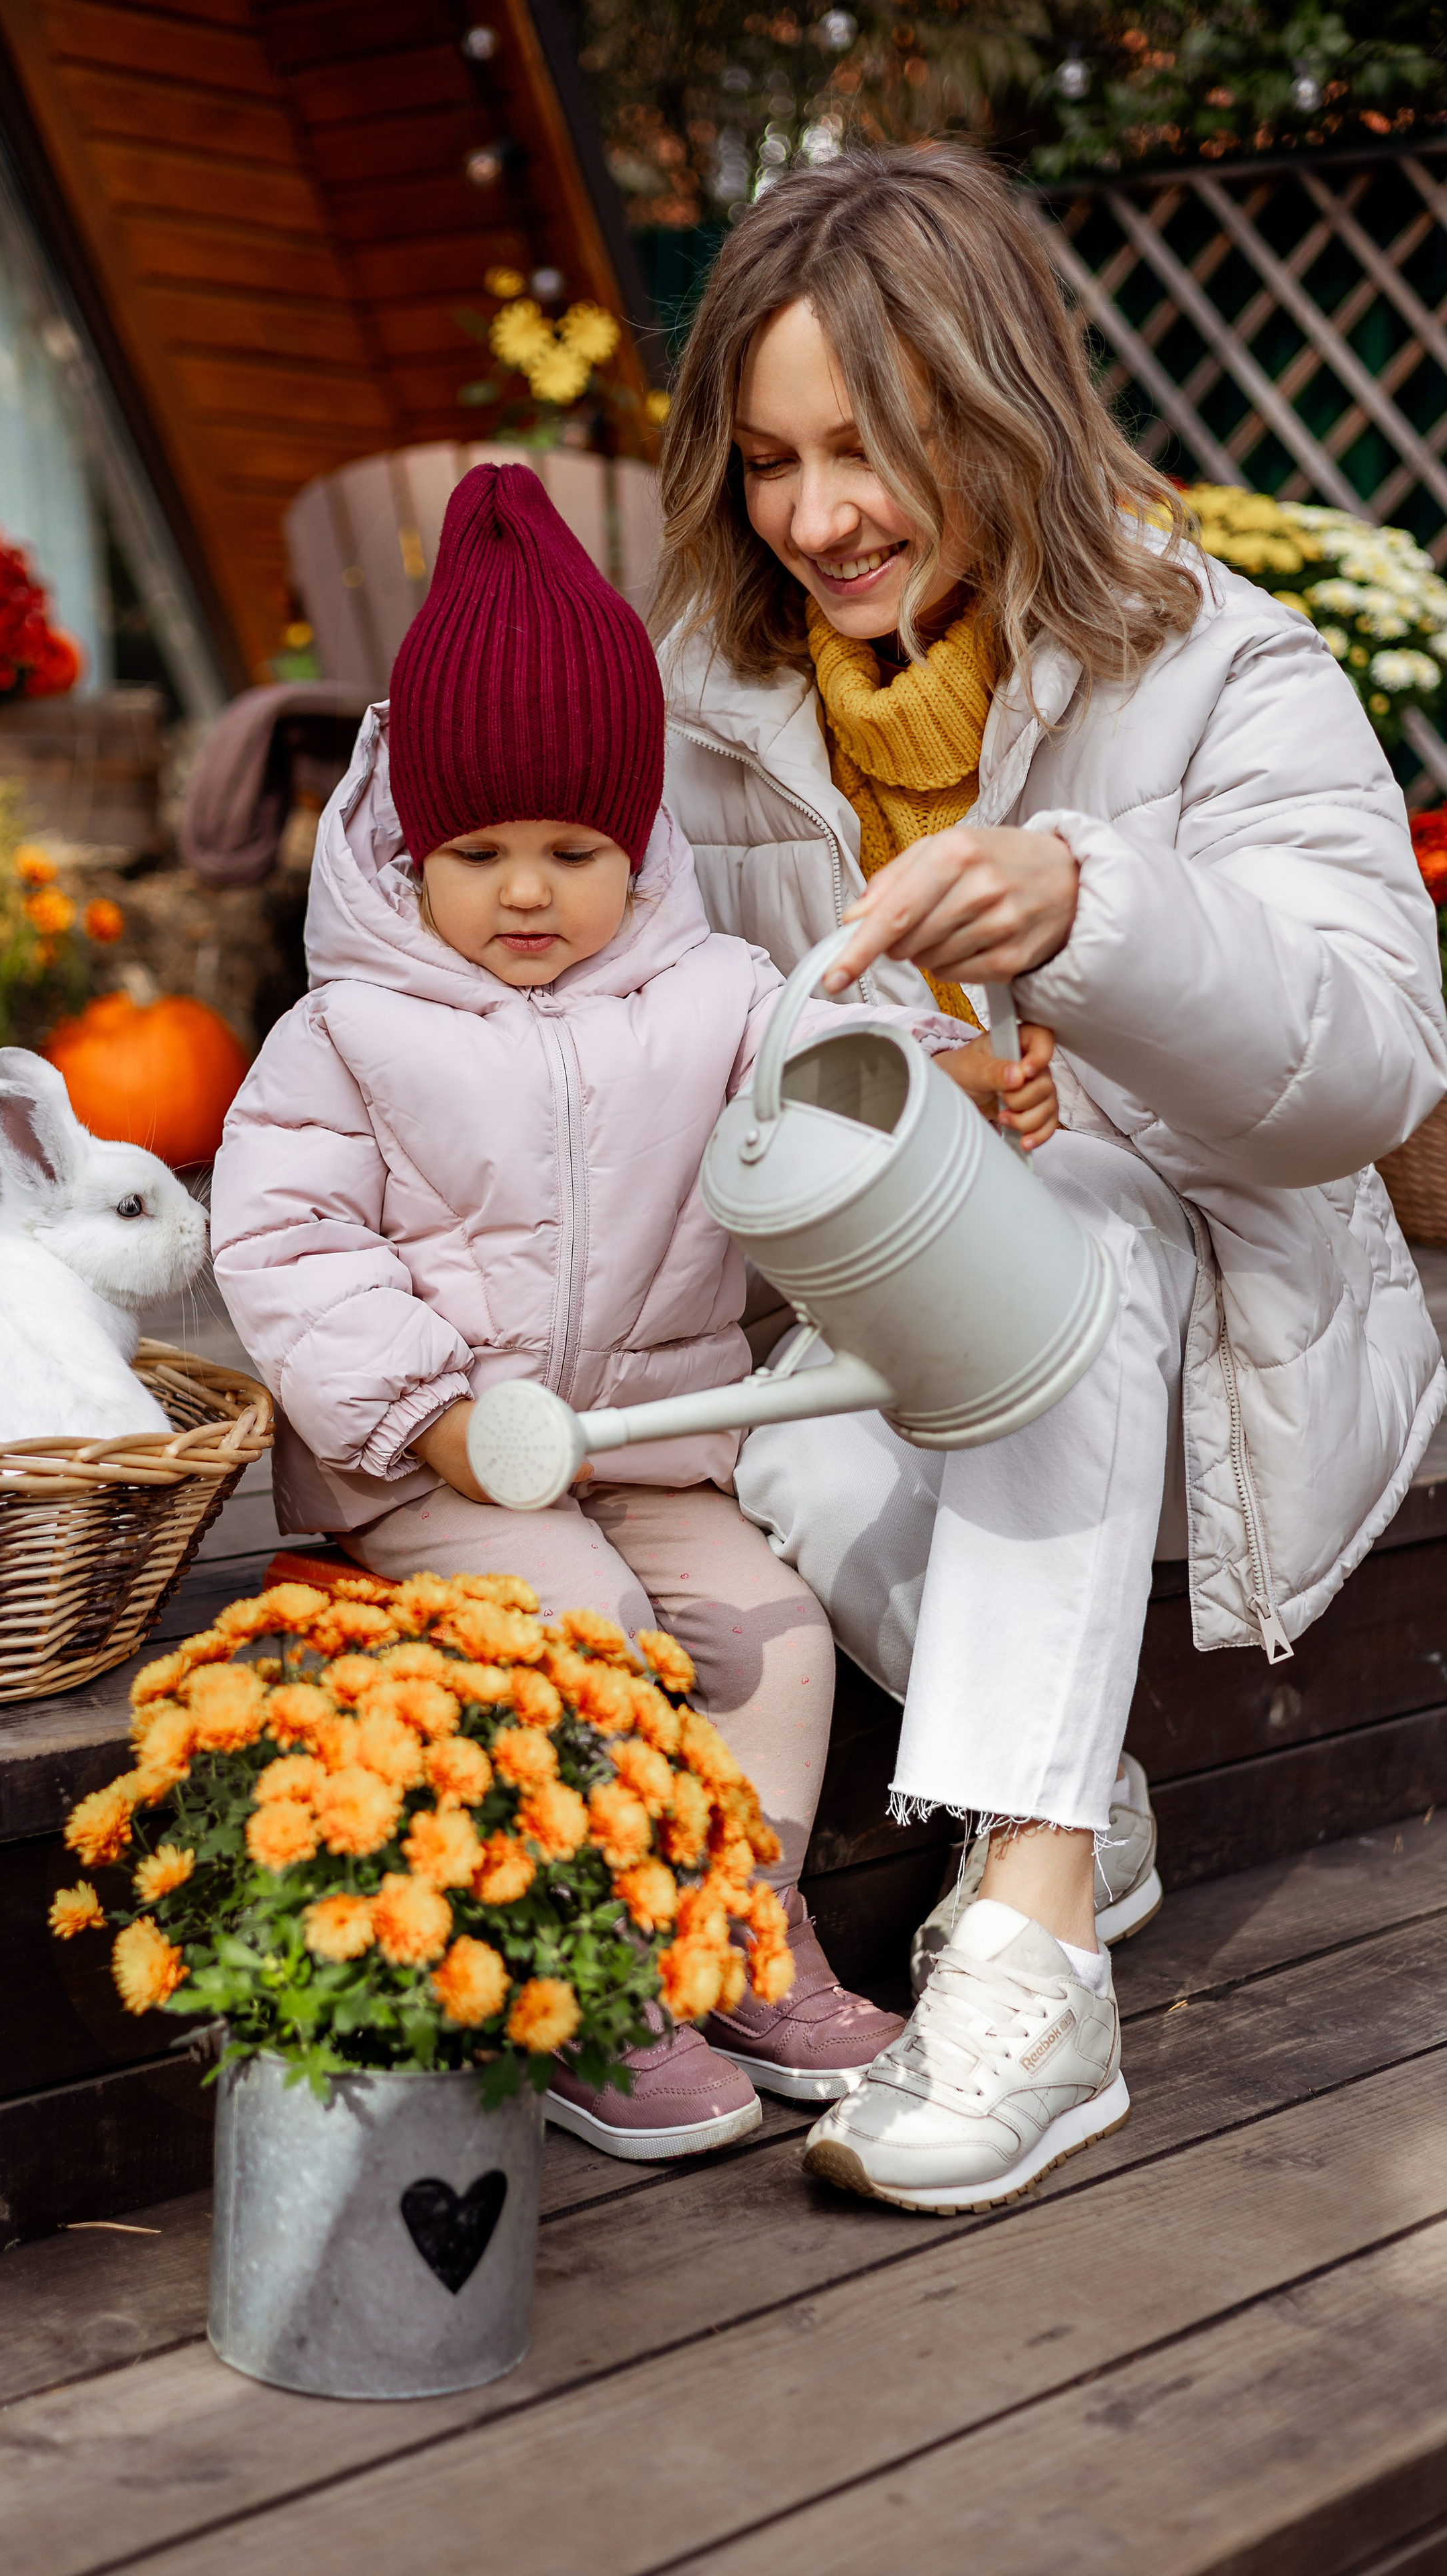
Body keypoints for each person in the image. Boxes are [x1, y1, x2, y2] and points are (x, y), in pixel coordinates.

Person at [653, 144, 1447, 2214]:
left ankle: (1030, 1939)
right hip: (897, 1320)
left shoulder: (1223, 667)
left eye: (867, 450)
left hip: (1220, 1324)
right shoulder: (708, 709)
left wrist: (1090, 915)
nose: (812, 519)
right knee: (803, 1463)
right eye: (764, 461)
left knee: (1072, 1229)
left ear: (996, 409)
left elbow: (1368, 1060)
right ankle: (1070, 1760)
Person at [212, 462, 1049, 2161]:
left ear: (638, 841)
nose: (527, 893)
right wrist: (427, 1414)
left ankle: (731, 1920)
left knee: (773, 1631)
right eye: (480, 853)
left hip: (654, 1443)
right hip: (440, 1471)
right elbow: (291, 1250)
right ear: (406, 848)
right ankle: (591, 1976)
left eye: (573, 851)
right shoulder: (348, 1034)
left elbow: (822, 1074)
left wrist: (940, 1079)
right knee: (586, 1633)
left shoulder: (710, 994)